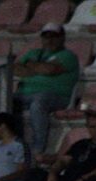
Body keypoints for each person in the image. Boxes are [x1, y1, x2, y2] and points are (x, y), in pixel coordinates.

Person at [12, 22, 80, 154]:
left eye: (54, 36)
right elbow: (15, 69)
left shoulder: (68, 56)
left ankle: (38, 147)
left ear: (62, 38)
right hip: (25, 94)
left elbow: (49, 70)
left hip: (57, 96)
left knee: (38, 102)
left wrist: (30, 66)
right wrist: (39, 67)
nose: (49, 40)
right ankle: (15, 143)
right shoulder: (34, 52)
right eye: (46, 37)